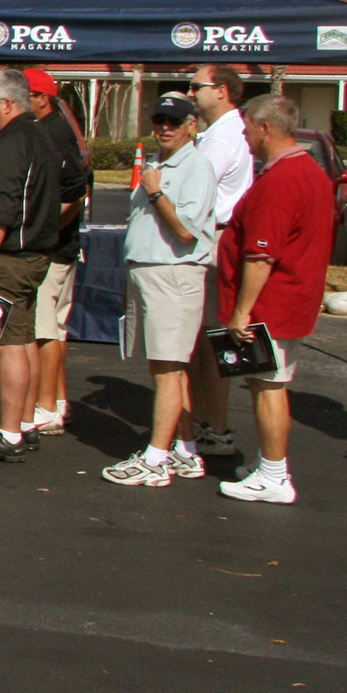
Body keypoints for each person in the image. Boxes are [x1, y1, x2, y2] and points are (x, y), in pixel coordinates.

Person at [214, 94, 338, 505]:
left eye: (248, 127)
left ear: (265, 128)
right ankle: (270, 465)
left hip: (273, 303)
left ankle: (274, 474)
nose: (246, 136)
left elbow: (261, 254)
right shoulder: (311, 172)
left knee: (269, 386)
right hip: (291, 298)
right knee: (263, 382)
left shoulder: (282, 181)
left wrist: (242, 312)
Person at [101, 94, 220, 487]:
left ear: (192, 126)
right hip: (149, 274)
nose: (165, 127)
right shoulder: (159, 164)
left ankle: (155, 459)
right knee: (167, 368)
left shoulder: (197, 167)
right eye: (159, 120)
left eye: (174, 121)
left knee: (169, 369)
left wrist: (154, 191)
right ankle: (186, 450)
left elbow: (186, 229)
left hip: (174, 275)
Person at [0, 69, 65, 464]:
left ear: (7, 104)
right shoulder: (41, 136)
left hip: (12, 257)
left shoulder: (13, 142)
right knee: (22, 338)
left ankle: (10, 434)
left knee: (9, 345)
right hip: (34, 254)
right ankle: (21, 424)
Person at [183, 63, 255, 464]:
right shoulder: (218, 134)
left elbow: (194, 189)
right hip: (214, 236)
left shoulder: (223, 138)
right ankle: (205, 422)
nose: (191, 94)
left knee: (209, 341)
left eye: (197, 87)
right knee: (203, 342)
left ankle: (215, 426)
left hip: (214, 239)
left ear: (223, 90)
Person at [20, 68, 92, 436]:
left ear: (42, 99)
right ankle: (58, 400)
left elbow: (75, 193)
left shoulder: (52, 133)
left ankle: (46, 405)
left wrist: (43, 233)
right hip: (61, 247)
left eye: (24, 95)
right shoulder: (56, 129)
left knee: (44, 330)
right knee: (56, 328)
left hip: (54, 249)